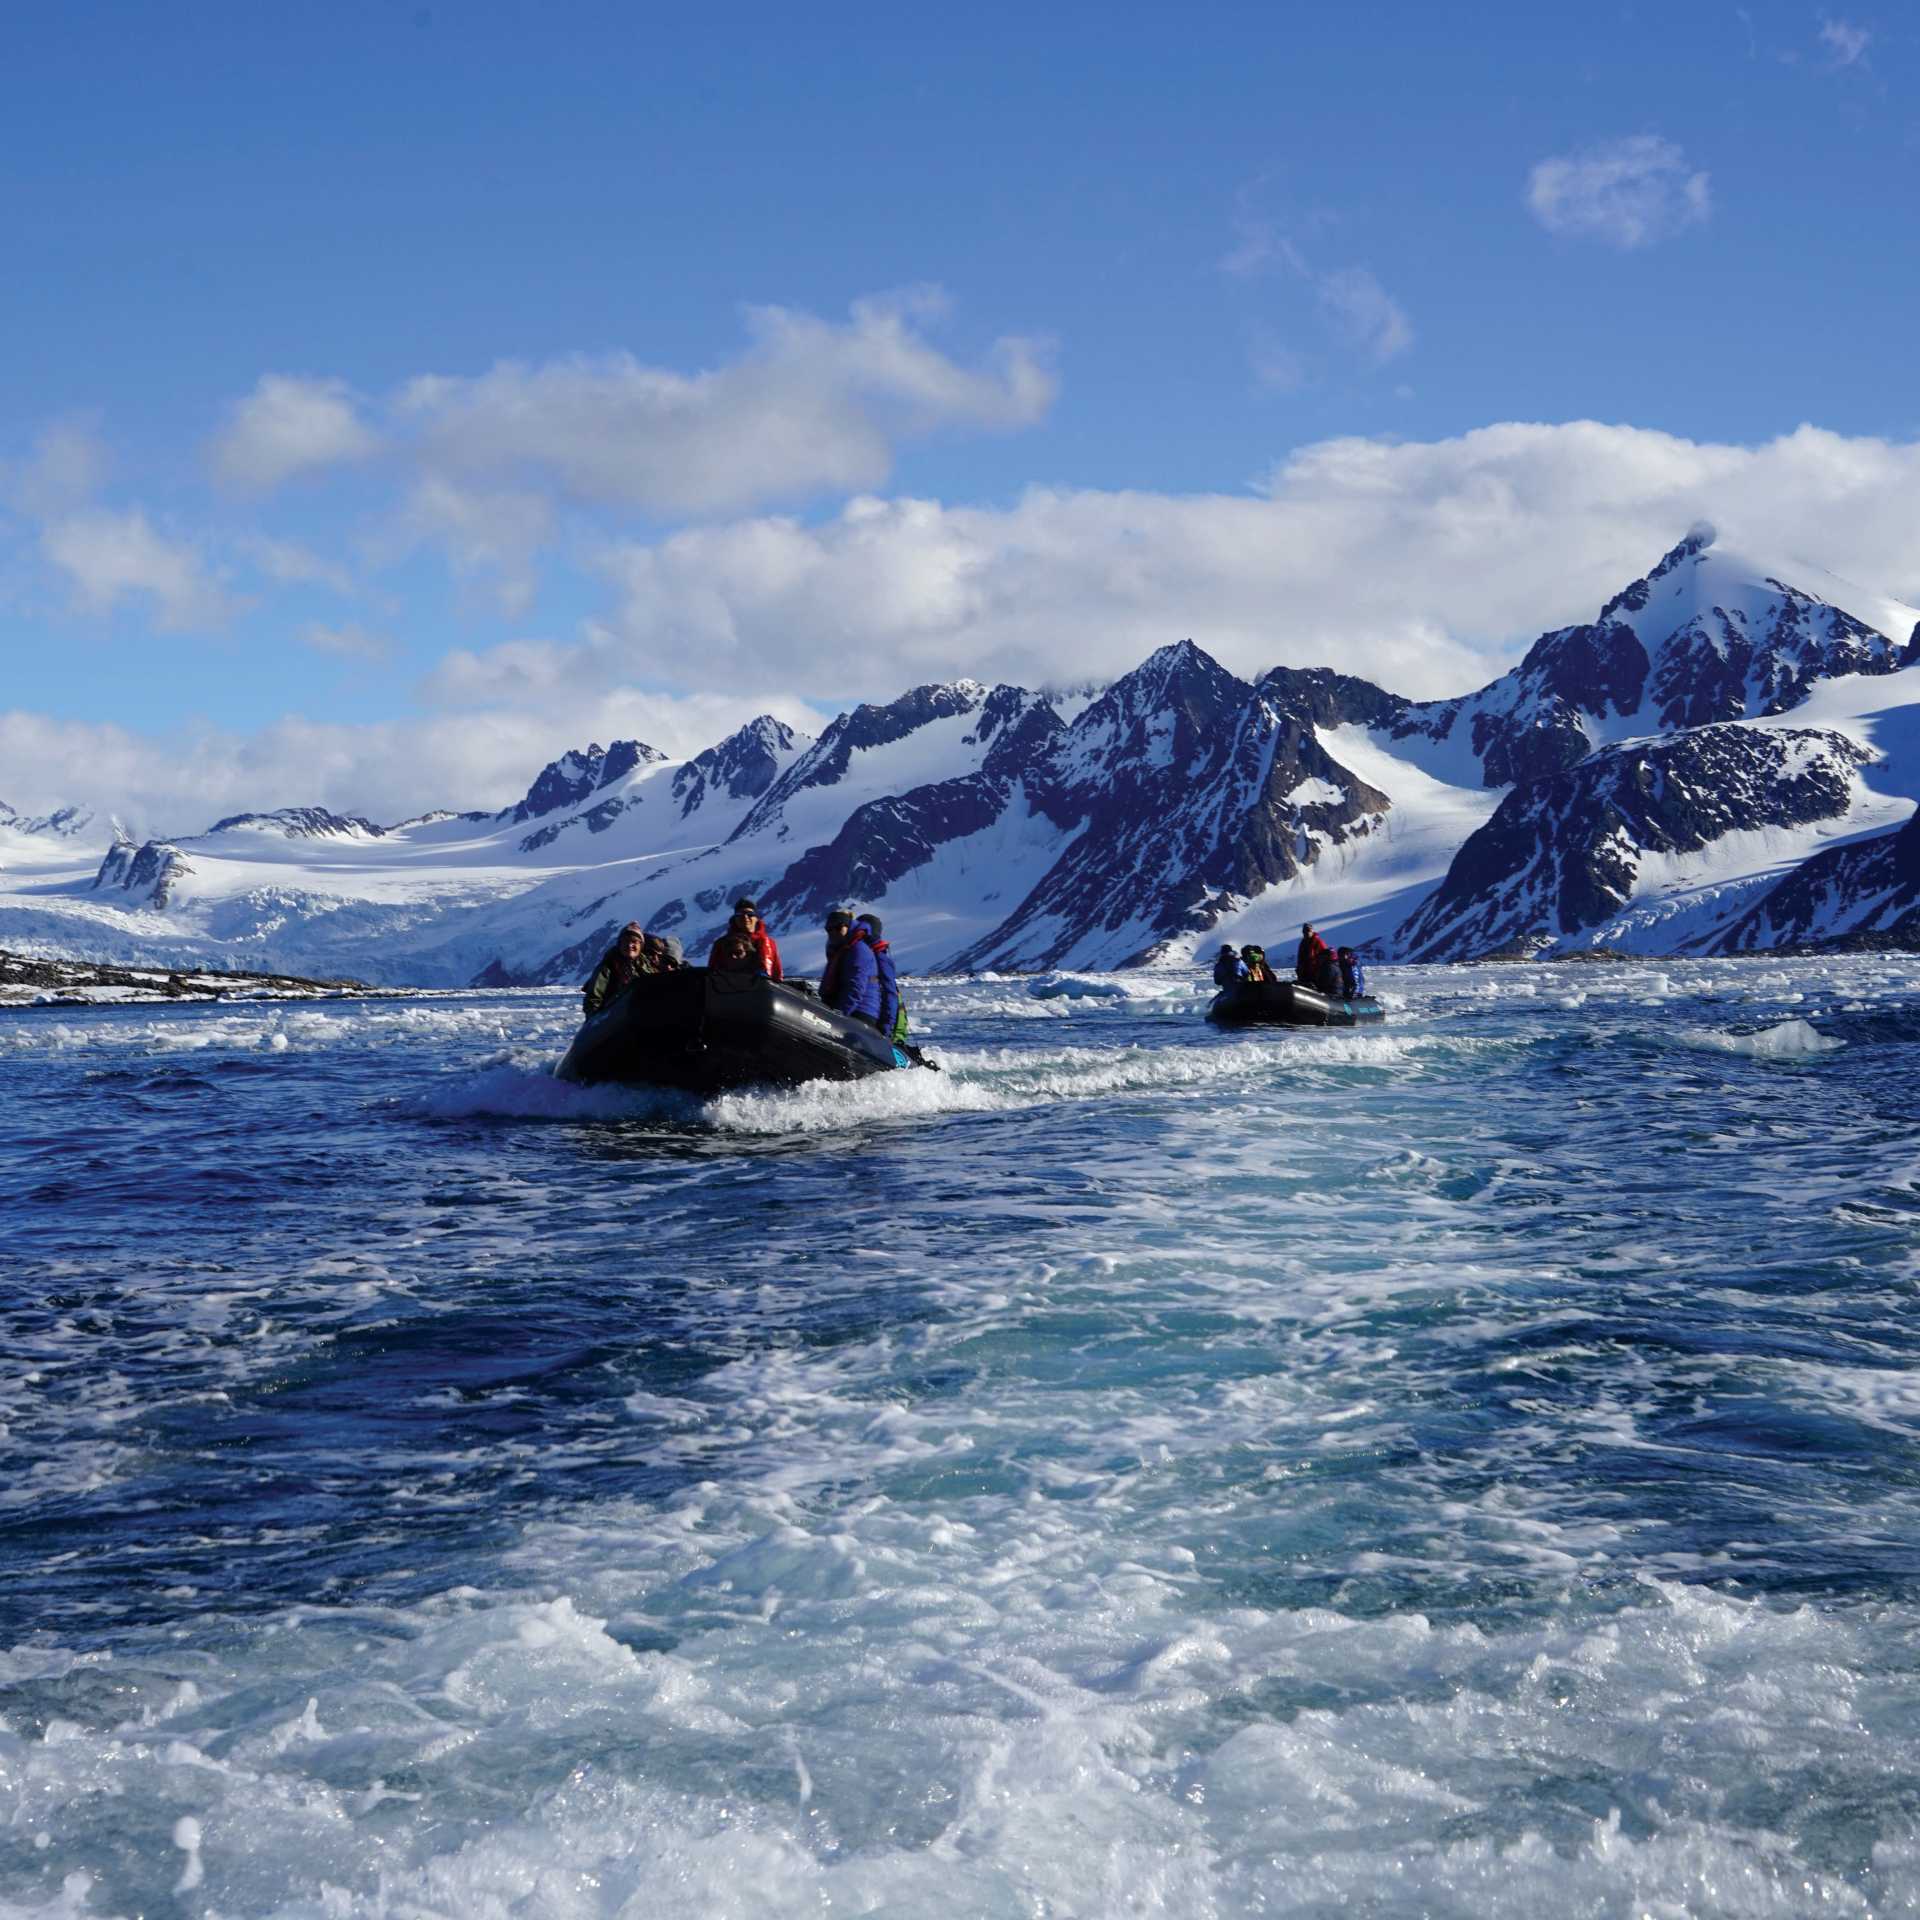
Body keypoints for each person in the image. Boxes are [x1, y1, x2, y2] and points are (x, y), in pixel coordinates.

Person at [820, 907, 882, 1026]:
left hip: (860, 1011)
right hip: (844, 1006)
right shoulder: (841, 949)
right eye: (829, 929)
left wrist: (839, 1015)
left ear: (847, 926)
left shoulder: (858, 949)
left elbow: (856, 986)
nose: (833, 932)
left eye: (838, 928)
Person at [854, 913, 902, 1040]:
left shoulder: (880, 959)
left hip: (872, 1018)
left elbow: (889, 993)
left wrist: (885, 1029)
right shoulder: (860, 954)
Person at [582, 922, 646, 1016]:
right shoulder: (608, 966)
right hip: (617, 1017)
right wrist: (596, 1019)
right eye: (625, 941)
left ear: (641, 945)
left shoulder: (646, 965)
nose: (629, 945)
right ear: (619, 944)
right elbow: (593, 1000)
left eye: (634, 941)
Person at [732, 897, 782, 981]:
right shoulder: (723, 944)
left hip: (763, 987)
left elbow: (777, 974)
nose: (745, 917)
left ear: (756, 918)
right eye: (740, 914)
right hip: (730, 986)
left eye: (750, 914)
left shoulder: (768, 943)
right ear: (735, 918)